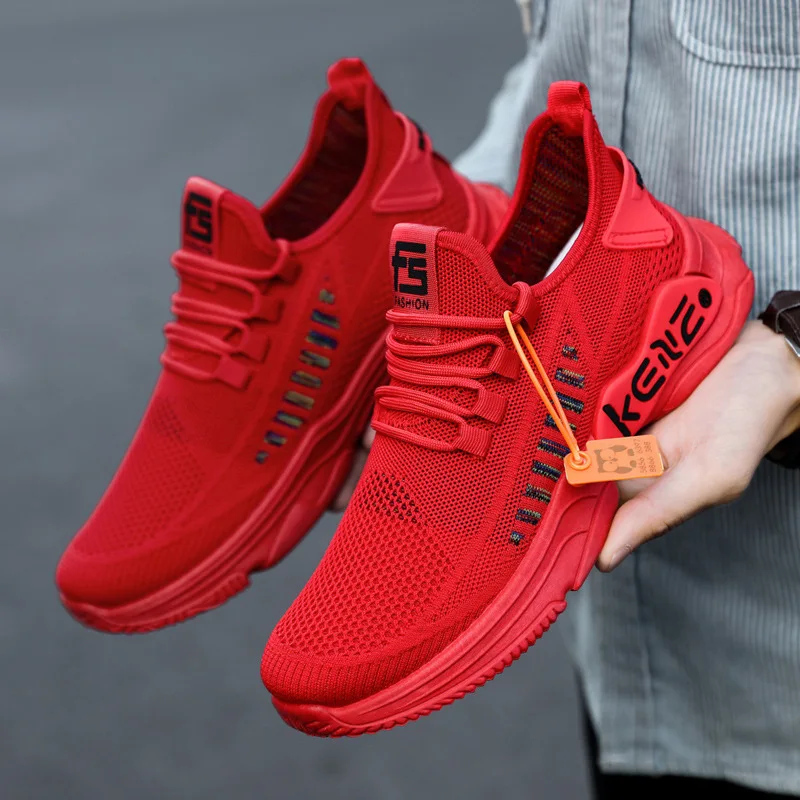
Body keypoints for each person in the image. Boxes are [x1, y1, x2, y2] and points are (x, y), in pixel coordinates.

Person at [335, 2, 800, 796]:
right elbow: (559, 66)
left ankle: (658, 270)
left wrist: (791, 350)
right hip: (626, 660)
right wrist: (475, 222)